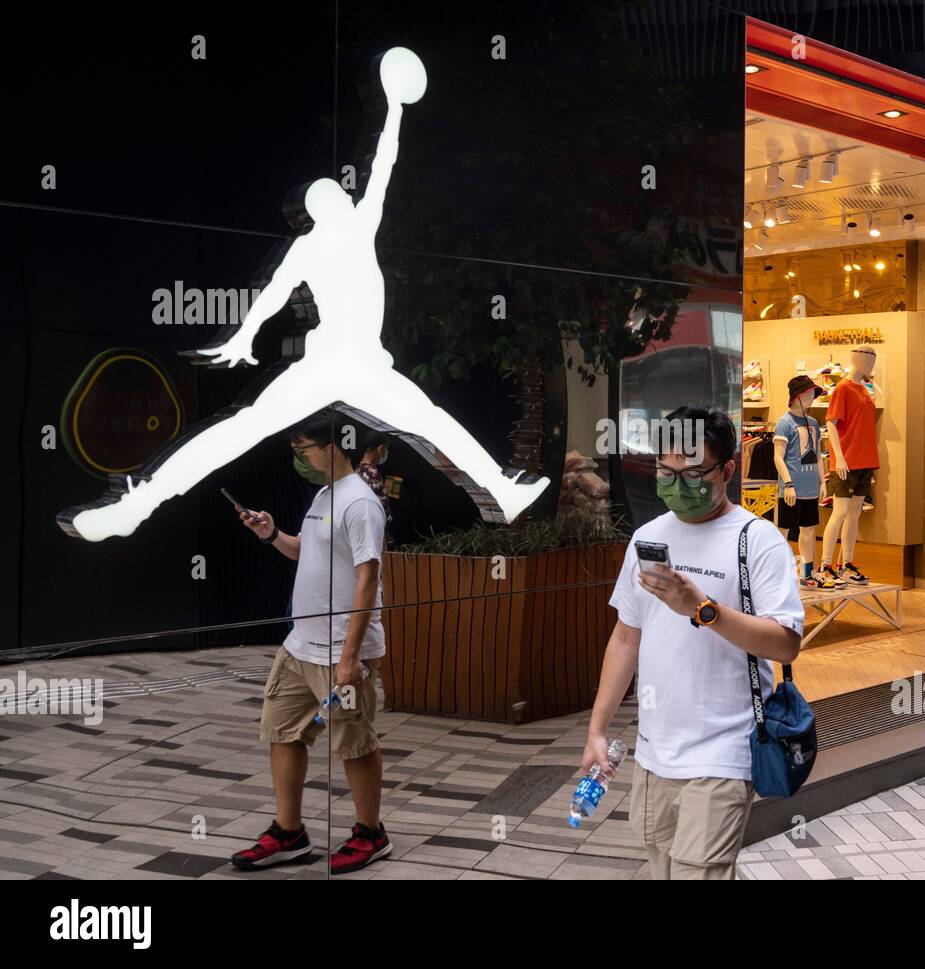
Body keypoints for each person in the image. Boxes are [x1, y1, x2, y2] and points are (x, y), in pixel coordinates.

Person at [59, 47, 546, 544]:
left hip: (368, 368)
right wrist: (243, 336)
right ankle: (134, 504)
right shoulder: (310, 246)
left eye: (335, 190)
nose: (338, 193)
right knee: (240, 429)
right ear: (318, 207)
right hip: (327, 363)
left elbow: (383, 163)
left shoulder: (358, 226)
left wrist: (394, 106)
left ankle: (501, 490)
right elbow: (271, 293)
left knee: (432, 422)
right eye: (327, 193)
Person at [584, 406, 804, 880]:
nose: (675, 483)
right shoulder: (647, 538)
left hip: (723, 753)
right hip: (653, 751)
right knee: (662, 870)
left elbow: (785, 644)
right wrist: (597, 730)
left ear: (727, 470)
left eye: (692, 472)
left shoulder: (758, 541)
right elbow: (626, 636)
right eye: (665, 471)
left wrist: (702, 609)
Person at [230, 409, 391, 875]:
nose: (298, 457)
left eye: (303, 449)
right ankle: (289, 833)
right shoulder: (325, 494)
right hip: (301, 645)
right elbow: (309, 550)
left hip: (339, 649)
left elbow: (368, 579)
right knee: (282, 730)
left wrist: (350, 658)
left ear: (331, 446)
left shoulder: (359, 502)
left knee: (353, 741)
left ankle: (370, 834)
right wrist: (272, 534)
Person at [772, 375, 828, 587]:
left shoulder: (813, 422)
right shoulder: (784, 422)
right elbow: (778, 456)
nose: (812, 397)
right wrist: (787, 484)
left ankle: (807, 572)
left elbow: (819, 455)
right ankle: (776, 573)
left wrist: (823, 482)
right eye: (808, 393)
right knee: (783, 531)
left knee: (809, 529)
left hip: (811, 487)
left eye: (813, 394)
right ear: (796, 395)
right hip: (791, 488)